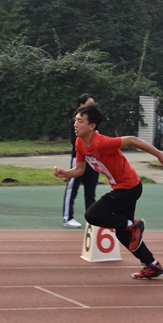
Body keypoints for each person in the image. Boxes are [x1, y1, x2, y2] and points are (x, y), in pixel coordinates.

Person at [53, 103, 163, 279]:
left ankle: (132, 225)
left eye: (80, 121)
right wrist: (65, 173)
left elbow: (132, 139)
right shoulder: (79, 143)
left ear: (92, 126)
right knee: (123, 233)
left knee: (92, 215)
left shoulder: (101, 143)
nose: (75, 124)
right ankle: (152, 264)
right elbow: (79, 170)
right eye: (75, 120)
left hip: (129, 187)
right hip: (123, 187)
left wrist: (158, 154)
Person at [62, 93, 99, 228]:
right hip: (78, 159)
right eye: (90, 104)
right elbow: (75, 140)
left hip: (93, 160)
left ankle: (92, 219)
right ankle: (68, 217)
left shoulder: (93, 122)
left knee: (90, 191)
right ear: (81, 105)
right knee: (72, 188)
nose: (93, 106)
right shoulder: (75, 122)